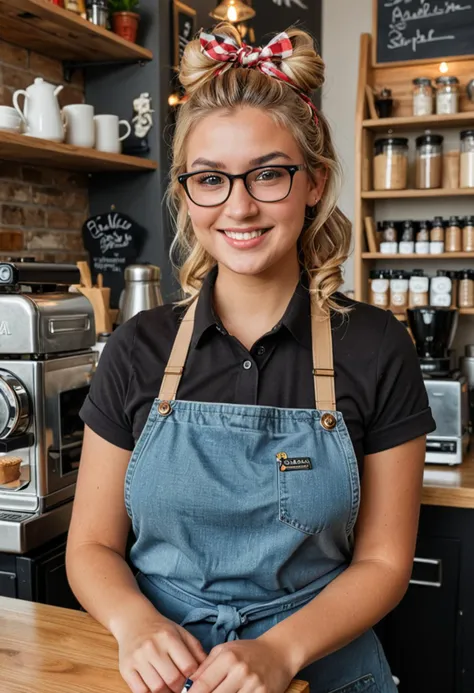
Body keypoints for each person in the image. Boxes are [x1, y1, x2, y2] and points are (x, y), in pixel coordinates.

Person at [66, 23, 436, 693]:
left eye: (268, 173)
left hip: (322, 667)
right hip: (162, 671)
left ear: (314, 182)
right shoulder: (137, 346)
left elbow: (384, 560)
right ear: (185, 194)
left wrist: (280, 650)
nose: (239, 206)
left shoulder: (377, 345)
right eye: (211, 178)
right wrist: (133, 622)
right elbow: (90, 546)